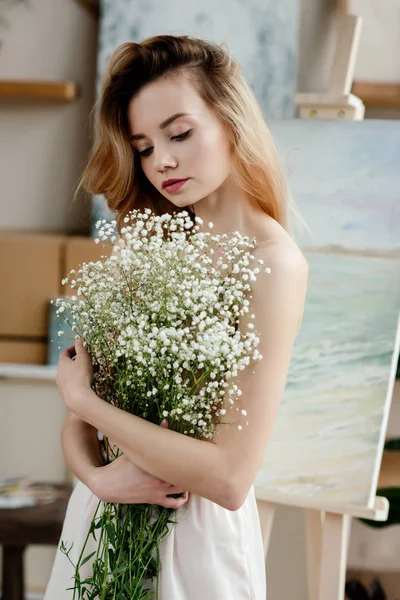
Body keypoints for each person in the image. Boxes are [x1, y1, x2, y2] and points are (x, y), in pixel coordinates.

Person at [44, 34, 308, 599]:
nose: (161, 160)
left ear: (231, 121)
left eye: (180, 134)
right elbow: (77, 428)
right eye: (142, 146)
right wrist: (97, 478)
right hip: (98, 529)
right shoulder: (146, 244)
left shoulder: (273, 264)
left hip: (196, 545)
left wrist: (84, 401)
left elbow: (230, 479)